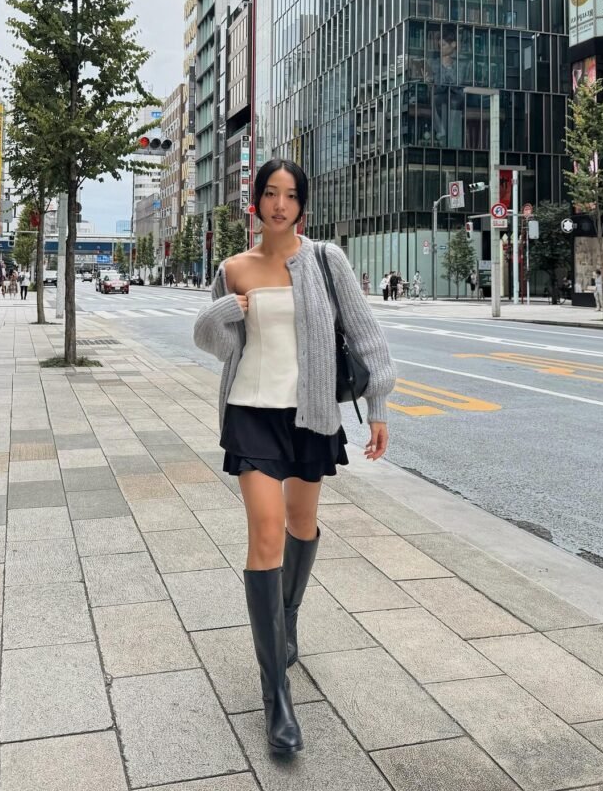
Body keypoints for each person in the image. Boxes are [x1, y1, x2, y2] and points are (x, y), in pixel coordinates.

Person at [193, 158, 395, 756]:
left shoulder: (326, 260)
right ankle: (276, 694)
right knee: (265, 534)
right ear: (254, 202)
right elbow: (213, 339)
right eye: (270, 194)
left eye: (291, 195)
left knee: (301, 524)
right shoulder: (232, 268)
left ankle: (288, 618)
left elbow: (366, 336)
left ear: (302, 205)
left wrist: (379, 408)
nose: (280, 204)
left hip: (309, 416)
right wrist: (229, 309)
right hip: (251, 413)